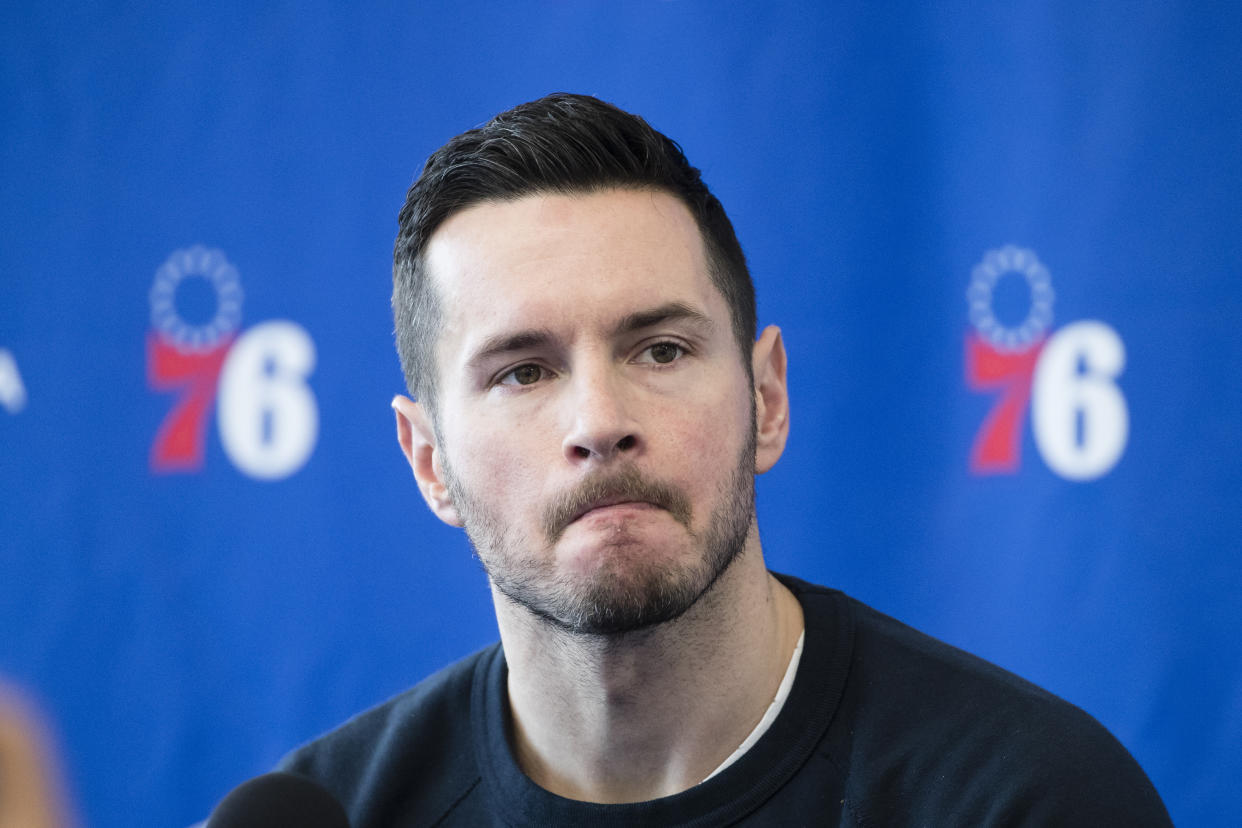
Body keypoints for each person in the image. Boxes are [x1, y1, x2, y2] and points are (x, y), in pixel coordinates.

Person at [274, 93, 1171, 825]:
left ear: (766, 399)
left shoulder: (1027, 800)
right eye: (523, 372)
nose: (600, 419)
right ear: (429, 462)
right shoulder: (339, 812)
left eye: (659, 350)